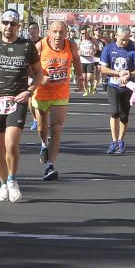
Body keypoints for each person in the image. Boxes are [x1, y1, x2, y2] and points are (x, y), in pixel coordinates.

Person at [0, 9, 41, 202]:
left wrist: (29, 91)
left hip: (16, 100)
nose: (9, 26)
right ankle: (2, 184)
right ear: (0, 24)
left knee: (11, 144)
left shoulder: (26, 46)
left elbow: (39, 74)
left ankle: (12, 180)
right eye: (5, 22)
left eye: (13, 24)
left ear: (19, 26)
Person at [32, 20, 84, 180]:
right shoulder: (40, 46)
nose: (58, 35)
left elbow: (76, 60)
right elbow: (28, 66)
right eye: (55, 31)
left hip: (60, 93)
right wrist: (39, 78)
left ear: (66, 33)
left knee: (56, 128)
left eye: (61, 32)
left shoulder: (70, 46)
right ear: (48, 32)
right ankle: (43, 144)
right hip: (41, 93)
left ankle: (50, 166)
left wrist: (80, 78)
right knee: (42, 128)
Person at [100, 27, 135, 154]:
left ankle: (121, 140)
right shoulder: (108, 48)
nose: (124, 42)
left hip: (127, 87)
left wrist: (129, 74)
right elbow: (103, 69)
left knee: (124, 115)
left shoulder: (133, 49)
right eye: (122, 39)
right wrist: (118, 73)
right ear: (116, 36)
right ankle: (113, 141)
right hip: (113, 85)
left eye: (127, 39)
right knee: (114, 112)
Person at [77, 28, 96, 97]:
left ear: (87, 33)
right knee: (84, 77)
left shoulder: (92, 40)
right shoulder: (79, 41)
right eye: (82, 33)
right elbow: (77, 49)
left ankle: (91, 85)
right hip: (82, 61)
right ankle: (86, 90)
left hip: (90, 61)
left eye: (85, 33)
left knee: (89, 77)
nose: (84, 35)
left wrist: (93, 50)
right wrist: (79, 52)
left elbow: (97, 47)